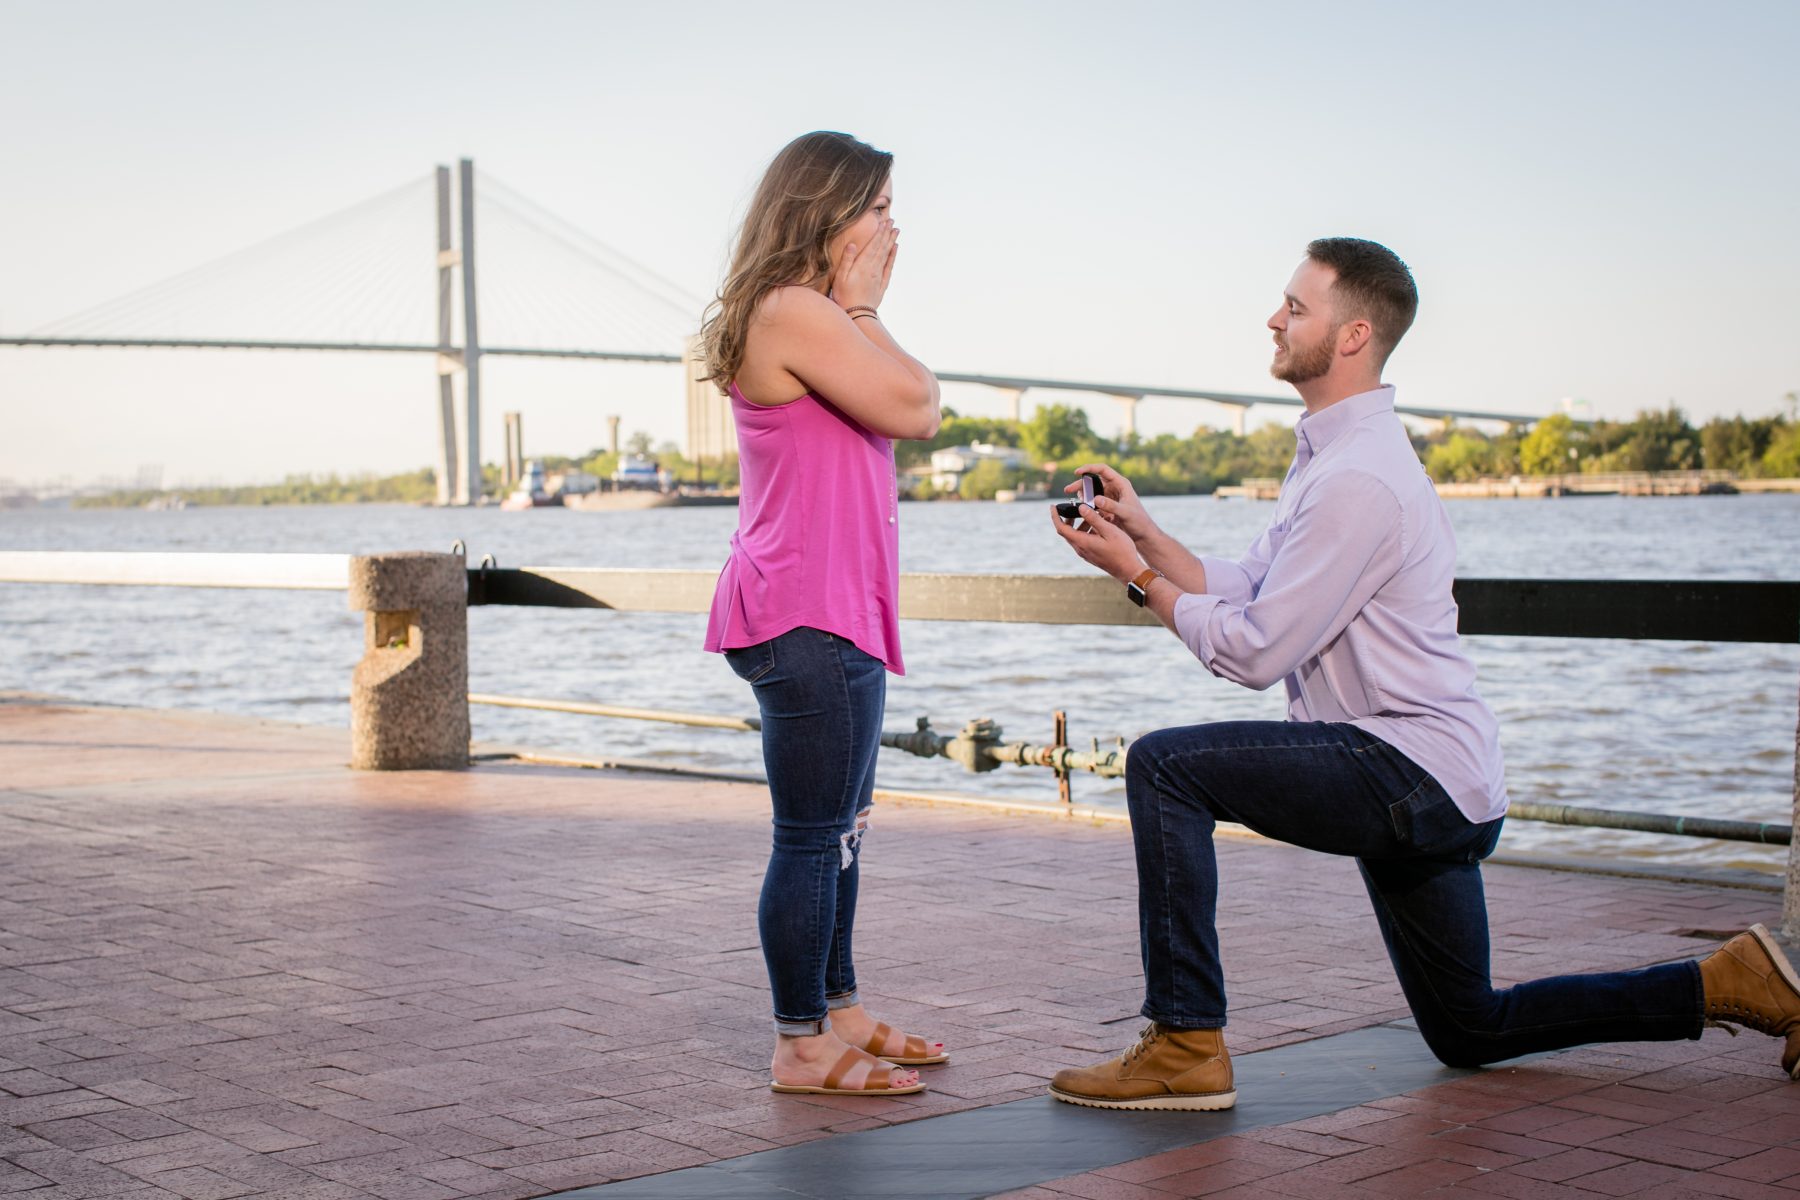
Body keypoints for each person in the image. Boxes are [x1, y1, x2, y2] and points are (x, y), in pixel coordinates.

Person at [1046, 237, 1800, 1111]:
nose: (1273, 318)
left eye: (1296, 306)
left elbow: (1254, 652)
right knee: (1469, 1028)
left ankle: (1185, 1042)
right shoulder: (1334, 458)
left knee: (1164, 766)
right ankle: (1733, 983)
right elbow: (1250, 585)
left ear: (1355, 332)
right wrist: (1141, 533)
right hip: (1438, 777)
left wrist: (1137, 583)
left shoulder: (1359, 478)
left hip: (1403, 769)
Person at [700, 131, 946, 1097]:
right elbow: (920, 405)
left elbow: (913, 398)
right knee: (812, 835)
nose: (894, 226)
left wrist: (860, 309)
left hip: (833, 609)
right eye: (879, 206)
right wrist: (866, 306)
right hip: (806, 612)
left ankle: (835, 1005)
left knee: (844, 828)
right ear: (827, 211)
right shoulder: (795, 310)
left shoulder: (815, 312)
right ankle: (801, 1042)